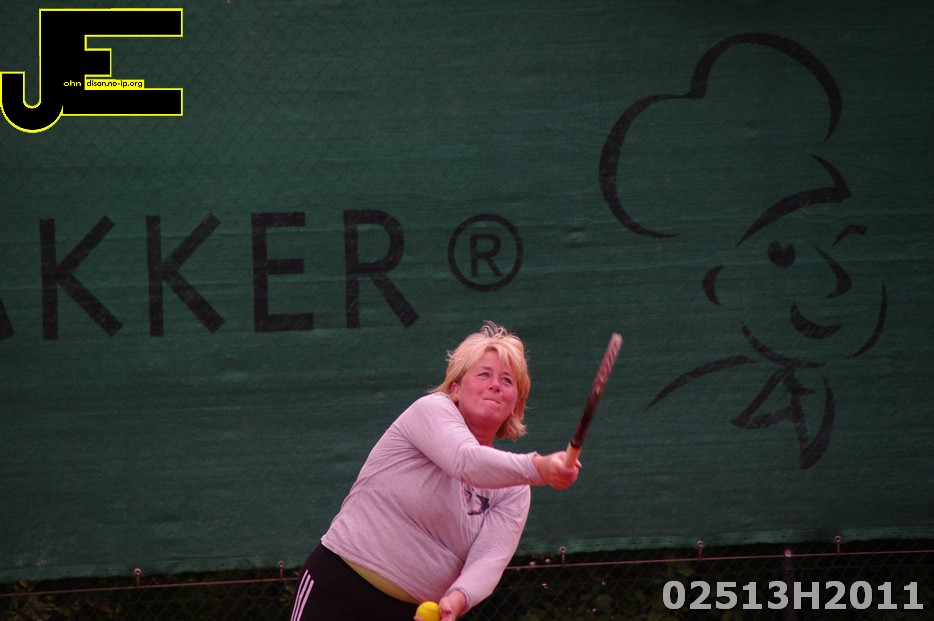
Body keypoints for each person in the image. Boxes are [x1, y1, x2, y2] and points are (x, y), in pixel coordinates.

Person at [289, 321, 581, 621]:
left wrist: (458, 598)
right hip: (339, 586)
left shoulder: (515, 488)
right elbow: (466, 462)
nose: (495, 384)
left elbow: (489, 559)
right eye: (484, 374)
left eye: (507, 380)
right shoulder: (431, 410)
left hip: (412, 613)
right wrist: (539, 467)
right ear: (455, 388)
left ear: (515, 403)